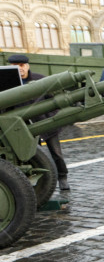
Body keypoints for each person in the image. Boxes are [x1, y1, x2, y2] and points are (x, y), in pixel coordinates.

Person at [6, 54, 71, 190]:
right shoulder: (8, 83)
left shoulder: (39, 79)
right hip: (24, 127)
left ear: (27, 65)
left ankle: (63, 177)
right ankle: (37, 183)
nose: (20, 69)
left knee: (56, 154)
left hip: (47, 125)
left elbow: (54, 99)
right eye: (15, 66)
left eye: (22, 65)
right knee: (30, 156)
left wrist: (52, 117)